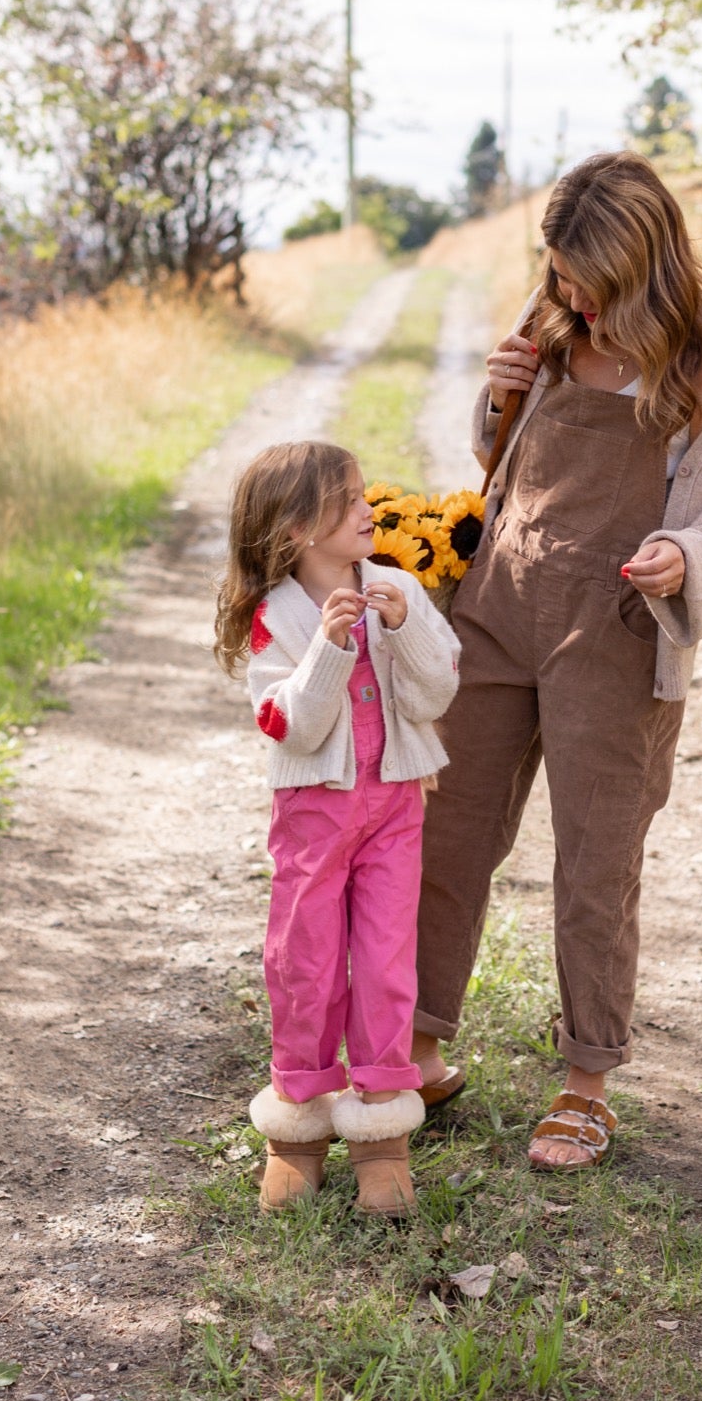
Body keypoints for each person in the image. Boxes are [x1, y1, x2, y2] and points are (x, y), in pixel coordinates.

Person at [411, 152, 702, 1171]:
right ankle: (418, 1044)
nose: (569, 294)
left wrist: (684, 556)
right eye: (558, 271)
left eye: (587, 278)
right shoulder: (550, 328)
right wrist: (497, 402)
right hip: (500, 605)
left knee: (595, 856)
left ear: (642, 264)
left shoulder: (700, 366)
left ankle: (584, 1082)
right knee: (446, 827)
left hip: (614, 634)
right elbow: (503, 469)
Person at [215, 440, 461, 1217]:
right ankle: (296, 1130)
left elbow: (434, 693)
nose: (368, 509)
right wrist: (327, 647)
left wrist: (405, 629)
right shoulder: (276, 618)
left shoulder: (396, 588)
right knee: (306, 961)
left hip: (392, 805)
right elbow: (288, 723)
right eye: (348, 499)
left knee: (386, 959)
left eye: (361, 494)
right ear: (294, 531)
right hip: (315, 812)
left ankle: (382, 1138)